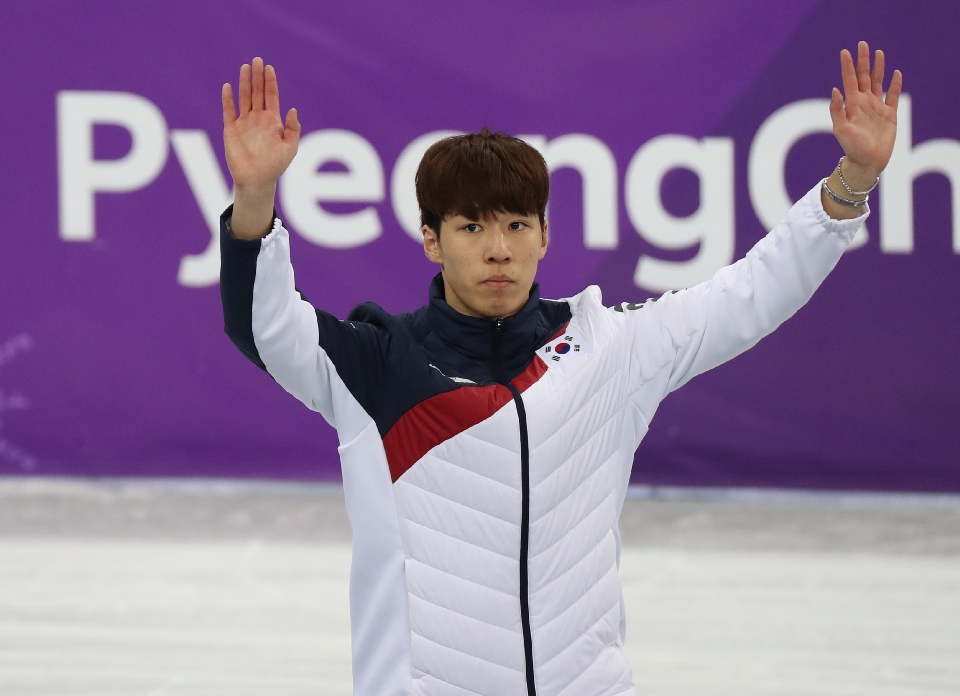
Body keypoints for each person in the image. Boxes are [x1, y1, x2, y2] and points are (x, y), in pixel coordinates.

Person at [218, 43, 901, 696]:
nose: (498, 251)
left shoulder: (608, 346)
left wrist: (852, 183)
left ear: (545, 234)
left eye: (517, 226)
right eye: (471, 228)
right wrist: (254, 201)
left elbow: (751, 294)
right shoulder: (376, 364)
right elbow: (265, 325)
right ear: (431, 240)